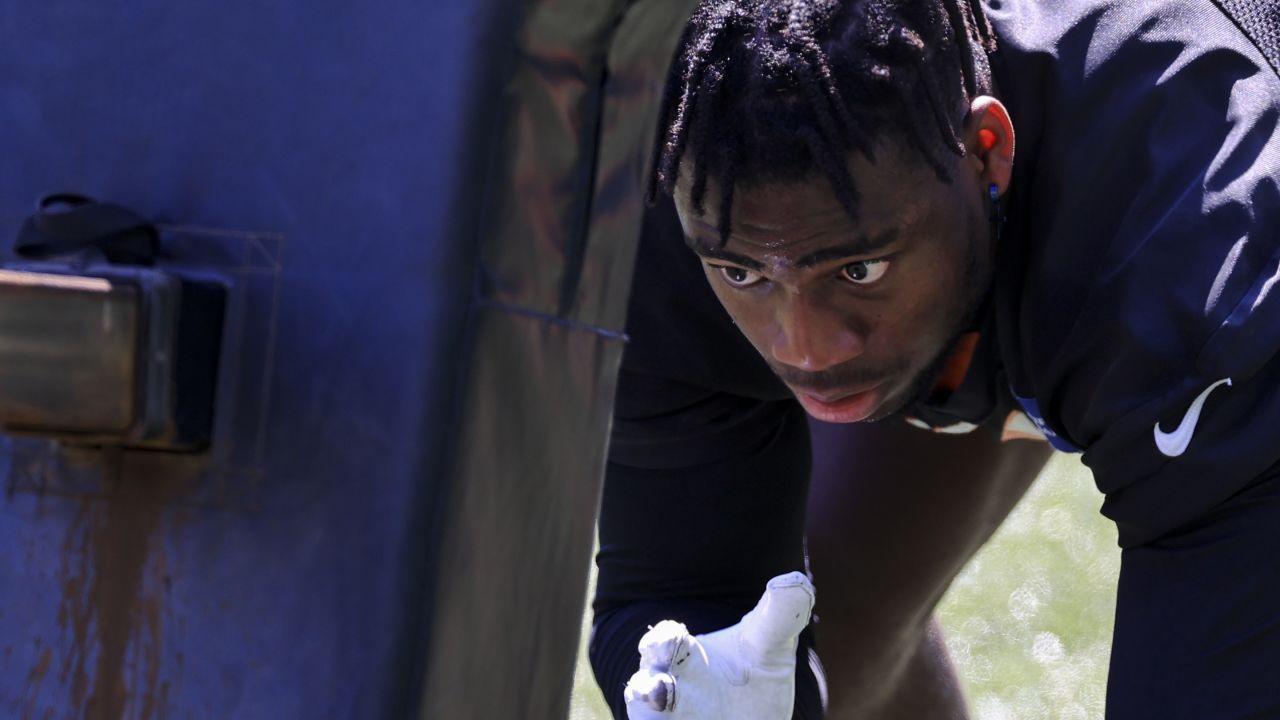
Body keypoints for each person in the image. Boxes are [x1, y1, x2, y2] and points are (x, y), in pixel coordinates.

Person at [588, 0, 1280, 717]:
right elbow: (679, 590)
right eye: (742, 274)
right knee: (829, 623)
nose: (805, 349)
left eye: (858, 269)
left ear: (987, 149)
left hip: (1166, 264)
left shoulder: (1191, 238)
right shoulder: (681, 199)